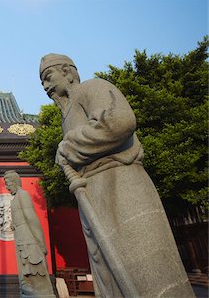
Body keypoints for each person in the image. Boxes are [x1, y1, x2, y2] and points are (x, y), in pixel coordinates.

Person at [39, 53, 194, 297]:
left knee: (143, 262)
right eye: (42, 83)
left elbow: (119, 122)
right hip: (90, 189)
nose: (46, 87)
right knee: (107, 271)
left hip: (120, 182)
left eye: (48, 78)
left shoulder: (93, 87)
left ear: (68, 72)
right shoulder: (66, 116)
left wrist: (68, 146)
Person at [4, 170, 56, 298]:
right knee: (24, 265)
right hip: (21, 237)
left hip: (29, 238)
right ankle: (28, 287)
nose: (6, 187)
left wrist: (40, 242)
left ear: (15, 182)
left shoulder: (23, 195)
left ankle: (39, 291)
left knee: (33, 264)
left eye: (8, 183)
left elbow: (31, 218)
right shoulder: (15, 198)